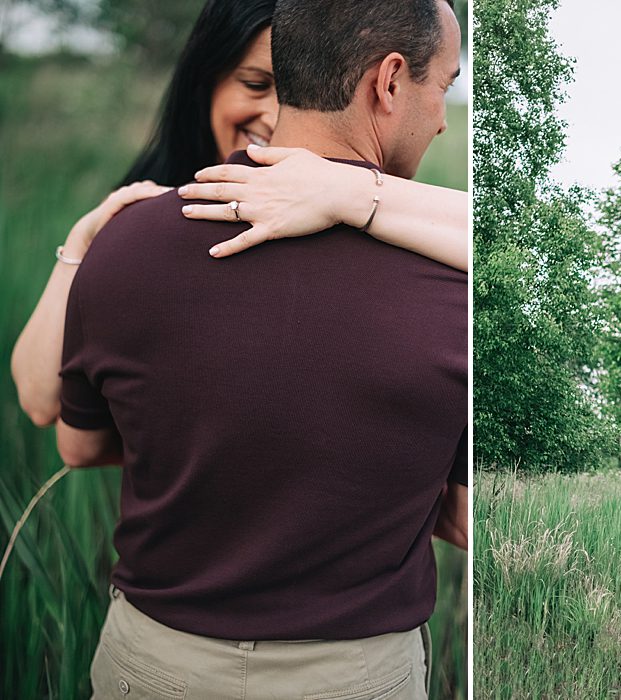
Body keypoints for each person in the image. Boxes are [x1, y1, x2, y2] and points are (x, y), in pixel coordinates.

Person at [54, 0, 465, 698]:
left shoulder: (125, 243)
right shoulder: (453, 284)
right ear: (390, 82)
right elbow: (462, 513)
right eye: (443, 85)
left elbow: (80, 442)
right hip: (356, 677)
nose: (443, 117)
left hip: (153, 664)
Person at [11, 0, 467, 429]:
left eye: (293, 89)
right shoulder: (145, 223)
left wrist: (349, 191)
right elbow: (42, 402)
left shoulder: (381, 213)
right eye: (257, 84)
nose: (277, 115)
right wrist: (80, 247)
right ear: (206, 81)